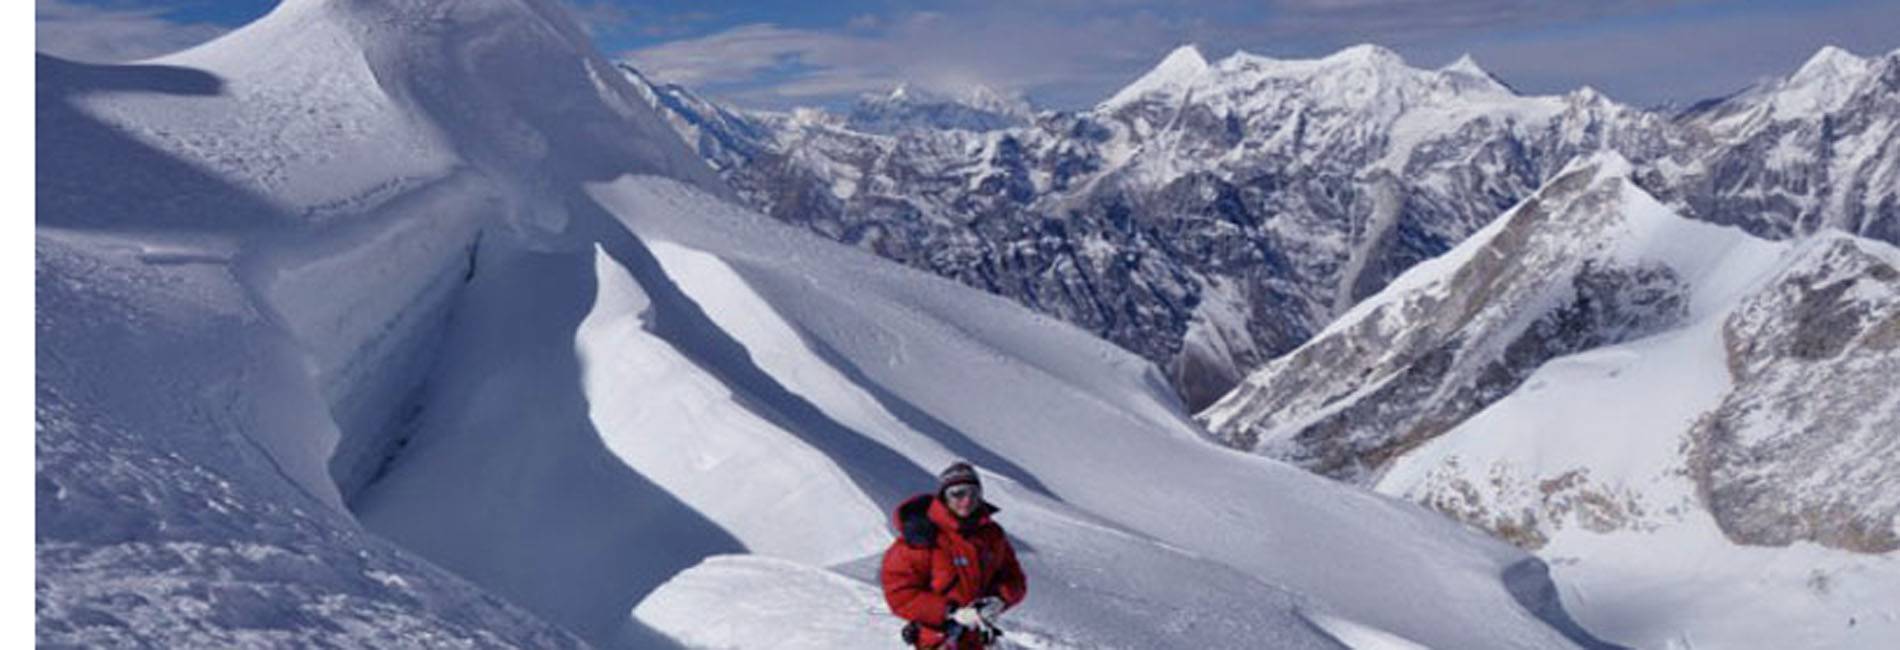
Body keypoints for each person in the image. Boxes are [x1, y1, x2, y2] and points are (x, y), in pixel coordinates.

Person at [880, 461, 1027, 649]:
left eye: (973, 493)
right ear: (944, 496)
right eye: (957, 494)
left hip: (979, 640)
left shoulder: (991, 534)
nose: (966, 500)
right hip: (938, 641)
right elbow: (900, 595)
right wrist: (950, 612)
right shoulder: (922, 535)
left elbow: (1014, 578)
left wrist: (1000, 600)